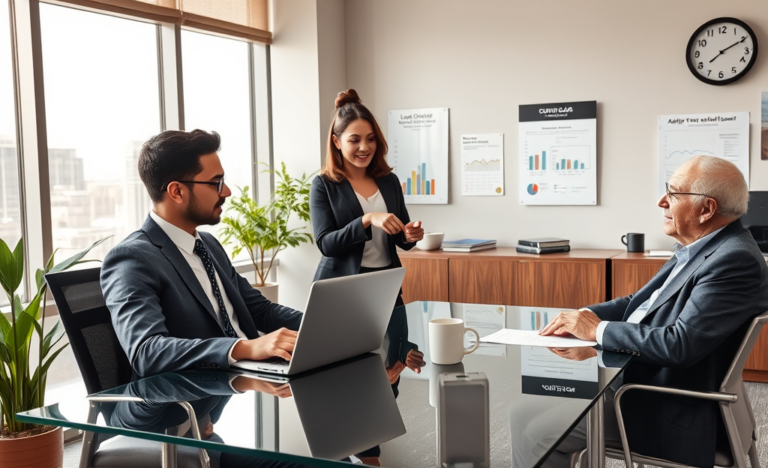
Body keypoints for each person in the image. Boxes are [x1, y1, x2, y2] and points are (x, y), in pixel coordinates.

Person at [533, 155, 768, 467]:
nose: (661, 202)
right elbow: (638, 304)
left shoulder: (733, 260)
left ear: (707, 209)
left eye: (672, 194)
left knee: (537, 432)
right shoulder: (702, 246)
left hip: (659, 402)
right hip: (644, 381)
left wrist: (596, 330)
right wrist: (583, 314)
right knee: (527, 407)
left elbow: (679, 344)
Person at [101, 129, 303, 379]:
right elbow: (147, 352)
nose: (227, 191)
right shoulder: (131, 259)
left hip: (244, 383)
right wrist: (246, 348)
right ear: (177, 192)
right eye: (216, 182)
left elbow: (259, 311)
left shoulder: (208, 245)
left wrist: (321, 326)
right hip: (190, 397)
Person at [309, 89, 426, 466]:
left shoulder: (389, 182)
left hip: (387, 288)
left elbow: (399, 238)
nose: (364, 147)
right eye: (355, 139)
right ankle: (361, 455)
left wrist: (409, 235)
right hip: (344, 293)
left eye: (371, 138)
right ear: (336, 141)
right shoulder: (324, 184)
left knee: (392, 370)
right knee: (349, 379)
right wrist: (366, 220)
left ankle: (363, 448)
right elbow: (326, 243)